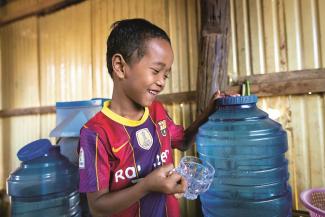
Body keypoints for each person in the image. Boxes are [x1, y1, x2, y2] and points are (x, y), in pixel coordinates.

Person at [78, 18, 222, 217]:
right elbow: (98, 207)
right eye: (156, 71)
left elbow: (184, 141)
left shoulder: (158, 112)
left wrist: (210, 111)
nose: (162, 82)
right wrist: (146, 186)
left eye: (166, 75)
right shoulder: (95, 133)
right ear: (120, 66)